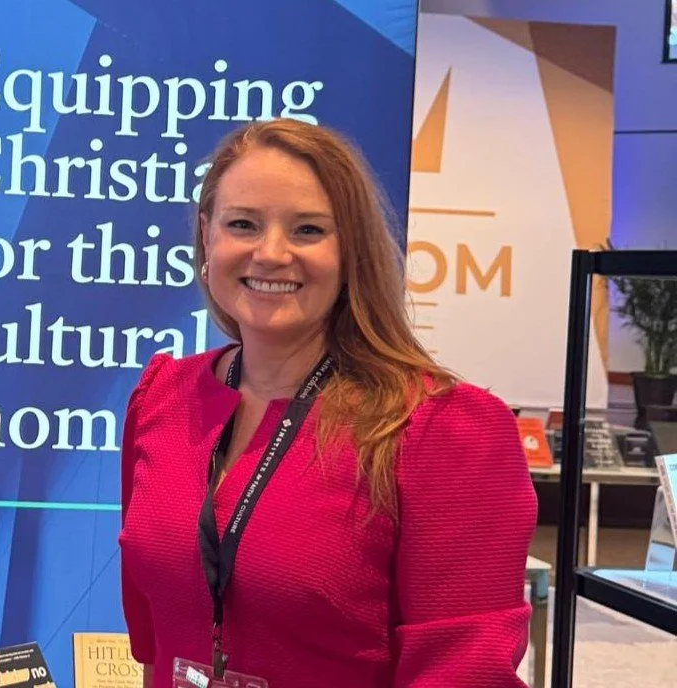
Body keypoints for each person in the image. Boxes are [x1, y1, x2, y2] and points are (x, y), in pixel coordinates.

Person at [118, 120, 537, 688]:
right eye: (242, 224)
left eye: (308, 230)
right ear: (206, 235)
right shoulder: (163, 398)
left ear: (351, 251)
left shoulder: (439, 429)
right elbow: (154, 646)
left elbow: (462, 672)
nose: (270, 253)